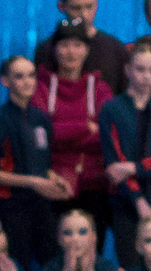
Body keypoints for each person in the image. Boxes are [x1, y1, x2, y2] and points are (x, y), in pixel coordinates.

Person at [98, 40, 151, 263]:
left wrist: (135, 168)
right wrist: (138, 200)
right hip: (126, 204)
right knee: (131, 267)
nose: (146, 76)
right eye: (140, 69)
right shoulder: (112, 110)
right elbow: (115, 163)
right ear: (128, 71)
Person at [0, 55, 68, 266]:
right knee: (18, 265)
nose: (28, 81)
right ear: (5, 81)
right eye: (19, 76)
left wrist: (57, 180)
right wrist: (34, 182)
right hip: (13, 206)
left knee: (53, 262)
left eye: (31, 75)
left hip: (42, 204)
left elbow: (43, 166)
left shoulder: (41, 118)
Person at [34, 28, 111, 225]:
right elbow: (41, 135)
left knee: (93, 250)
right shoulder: (40, 87)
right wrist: (85, 127)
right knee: (55, 250)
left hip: (95, 183)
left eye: (77, 45)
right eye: (65, 45)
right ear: (54, 50)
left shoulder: (101, 89)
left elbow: (107, 135)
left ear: (86, 50)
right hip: (53, 182)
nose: (71, 52)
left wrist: (61, 131)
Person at [33, 0, 127, 92]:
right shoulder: (47, 50)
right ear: (61, 7)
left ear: (96, 3)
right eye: (76, 8)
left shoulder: (115, 49)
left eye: (89, 6)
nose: (84, 15)